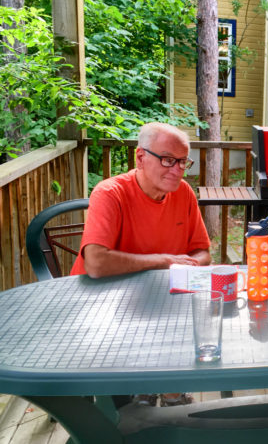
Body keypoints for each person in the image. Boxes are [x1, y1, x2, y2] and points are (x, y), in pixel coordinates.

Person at [71, 122, 211, 407]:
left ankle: (170, 397)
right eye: (167, 159)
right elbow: (96, 263)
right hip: (100, 307)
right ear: (140, 157)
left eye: (183, 161)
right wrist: (164, 260)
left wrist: (190, 264)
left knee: (197, 321)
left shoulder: (183, 192)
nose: (177, 169)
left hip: (158, 302)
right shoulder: (110, 193)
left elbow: (203, 252)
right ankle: (145, 397)